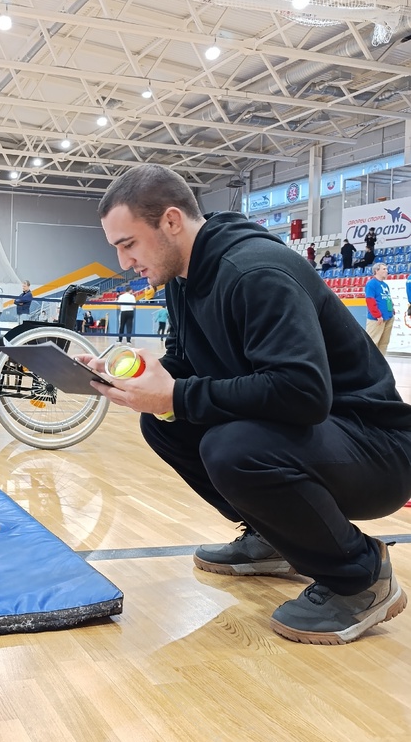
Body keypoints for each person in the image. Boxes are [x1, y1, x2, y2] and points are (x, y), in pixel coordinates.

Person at [81, 163, 411, 645]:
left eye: (127, 243)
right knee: (165, 422)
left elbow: (302, 392)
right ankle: (277, 537)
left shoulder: (256, 271)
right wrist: (141, 380)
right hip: (318, 439)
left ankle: (360, 576)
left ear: (171, 221)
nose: (124, 262)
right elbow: (189, 364)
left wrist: (175, 392)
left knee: (234, 446)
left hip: (376, 447)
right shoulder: (181, 279)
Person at [364, 262, 395, 356]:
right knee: (372, 342)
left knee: (384, 343)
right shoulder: (371, 284)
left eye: (386, 269)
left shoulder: (385, 285)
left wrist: (392, 310)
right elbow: (370, 301)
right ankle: (370, 365)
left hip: (388, 317)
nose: (387, 271)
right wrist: (377, 315)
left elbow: (387, 299)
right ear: (376, 271)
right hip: (377, 319)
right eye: (384, 269)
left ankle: (381, 365)